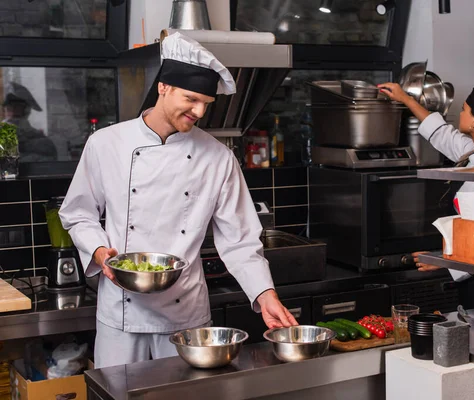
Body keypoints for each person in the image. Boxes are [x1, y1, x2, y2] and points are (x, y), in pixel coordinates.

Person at [59, 32, 298, 369]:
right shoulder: (106, 144)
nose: (199, 111)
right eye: (191, 98)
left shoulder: (218, 158)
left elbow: (241, 239)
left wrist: (265, 294)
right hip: (120, 312)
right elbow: (78, 213)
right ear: (163, 87)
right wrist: (99, 250)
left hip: (186, 315)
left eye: (206, 103)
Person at [378, 79, 474, 309]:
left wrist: (445, 261)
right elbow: (441, 133)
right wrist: (405, 99)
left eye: (464, 109)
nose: (459, 114)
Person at [2, 83, 57, 162]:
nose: (12, 112)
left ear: (26, 110)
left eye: (17, 107)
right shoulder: (4, 134)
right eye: (8, 108)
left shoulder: (41, 140)